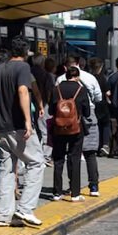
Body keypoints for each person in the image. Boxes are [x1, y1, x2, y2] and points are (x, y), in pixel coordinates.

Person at [0, 36, 45, 227]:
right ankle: (25, 209)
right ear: (25, 52)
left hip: (0, 128)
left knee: (7, 169)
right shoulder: (23, 68)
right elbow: (22, 91)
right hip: (17, 126)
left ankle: (3, 215)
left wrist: (0, 108)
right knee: (37, 162)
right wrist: (28, 120)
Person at [57, 56, 102, 197]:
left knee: (71, 154)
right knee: (90, 153)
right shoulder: (90, 77)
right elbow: (98, 97)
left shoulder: (59, 80)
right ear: (78, 65)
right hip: (88, 115)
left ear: (66, 67)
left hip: (66, 119)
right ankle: (93, 186)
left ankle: (72, 186)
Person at [49, 66, 89, 202]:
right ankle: (75, 193)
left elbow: (50, 110)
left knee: (58, 158)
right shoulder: (81, 90)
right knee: (74, 158)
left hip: (58, 128)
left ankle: (57, 192)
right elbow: (87, 111)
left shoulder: (56, 89)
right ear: (77, 77)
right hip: (75, 128)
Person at [87, 57, 111, 157]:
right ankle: (105, 145)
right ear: (101, 67)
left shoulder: (89, 77)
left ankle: (95, 145)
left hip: (92, 105)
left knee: (94, 125)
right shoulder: (103, 78)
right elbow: (108, 93)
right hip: (102, 104)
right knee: (105, 124)